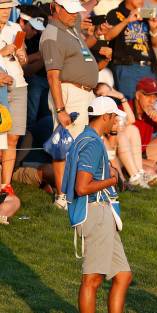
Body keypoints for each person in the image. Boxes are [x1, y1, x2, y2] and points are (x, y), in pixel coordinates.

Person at [62, 96, 144, 313]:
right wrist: (110, 179)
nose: (118, 121)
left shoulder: (88, 139)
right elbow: (82, 187)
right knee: (92, 279)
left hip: (103, 214)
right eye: (115, 116)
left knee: (122, 275)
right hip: (95, 213)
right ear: (106, 117)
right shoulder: (93, 144)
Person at [39, 0, 98, 209]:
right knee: (64, 146)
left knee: (82, 145)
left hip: (84, 94)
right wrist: (61, 109)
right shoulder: (52, 35)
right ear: (56, 7)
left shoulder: (69, 26)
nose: (75, 15)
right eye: (71, 10)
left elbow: (87, 8)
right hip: (69, 95)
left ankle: (76, 190)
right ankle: (63, 196)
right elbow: (53, 77)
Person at [94, 82, 157, 189]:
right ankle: (135, 176)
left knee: (132, 129)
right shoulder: (97, 113)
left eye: (109, 93)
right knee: (121, 134)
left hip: (118, 155)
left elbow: (131, 120)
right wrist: (115, 132)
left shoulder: (113, 110)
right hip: (108, 159)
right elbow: (109, 146)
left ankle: (139, 172)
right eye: (102, 93)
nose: (105, 96)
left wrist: (121, 97)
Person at [0, 0, 28, 203]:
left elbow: (24, 59)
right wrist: (2, 53)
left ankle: (5, 184)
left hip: (18, 85)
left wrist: (21, 54)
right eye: (1, 7)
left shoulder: (15, 27)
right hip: (0, 87)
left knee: (13, 137)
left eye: (8, 7)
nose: (5, 11)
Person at [106, 0, 157, 100]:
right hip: (127, 66)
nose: (142, 1)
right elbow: (107, 36)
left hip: (148, 67)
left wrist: (153, 28)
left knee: (150, 105)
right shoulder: (115, 13)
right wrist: (126, 20)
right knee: (130, 102)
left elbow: (156, 44)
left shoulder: (145, 14)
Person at [18, 5, 49, 130]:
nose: (36, 32)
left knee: (43, 117)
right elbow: (21, 67)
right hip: (26, 82)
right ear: (22, 22)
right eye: (34, 28)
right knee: (30, 119)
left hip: (40, 80)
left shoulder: (36, 37)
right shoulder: (18, 35)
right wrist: (38, 57)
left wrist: (41, 58)